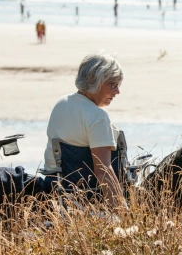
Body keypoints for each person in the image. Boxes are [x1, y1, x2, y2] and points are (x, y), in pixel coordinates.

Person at [42, 52, 126, 209]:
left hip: (55, 188)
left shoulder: (61, 104)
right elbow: (103, 171)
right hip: (88, 192)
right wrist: (123, 212)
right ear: (96, 82)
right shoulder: (97, 117)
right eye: (113, 85)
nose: (117, 92)